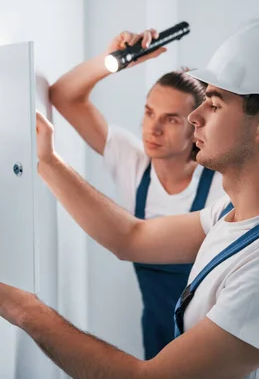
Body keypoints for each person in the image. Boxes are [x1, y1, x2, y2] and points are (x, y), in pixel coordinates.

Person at [0, 20, 259, 378]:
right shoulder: (234, 213)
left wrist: (23, 309)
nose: (194, 117)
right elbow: (131, 238)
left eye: (216, 104)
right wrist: (45, 159)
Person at [49, 28, 225, 358]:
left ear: (196, 126)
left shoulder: (221, 186)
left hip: (212, 349)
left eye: (171, 119)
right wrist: (115, 62)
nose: (152, 128)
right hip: (156, 337)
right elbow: (63, 95)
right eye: (148, 112)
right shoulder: (132, 162)